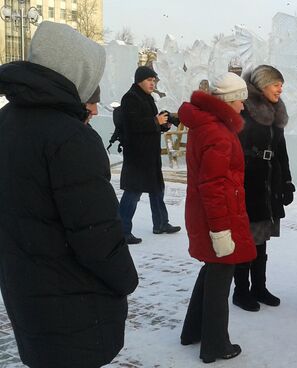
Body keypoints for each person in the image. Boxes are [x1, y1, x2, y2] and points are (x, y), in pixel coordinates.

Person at [0, 21, 139, 368]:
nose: (93, 101)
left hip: (26, 290)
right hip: (73, 303)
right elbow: (96, 234)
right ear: (76, 74)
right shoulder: (69, 137)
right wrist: (125, 279)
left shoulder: (7, 120)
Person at [178, 72, 256, 362]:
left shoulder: (207, 125)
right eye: (239, 101)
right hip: (218, 217)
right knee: (221, 275)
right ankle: (215, 345)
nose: (242, 108)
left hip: (209, 213)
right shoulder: (219, 134)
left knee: (212, 269)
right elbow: (213, 187)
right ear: (228, 101)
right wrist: (221, 231)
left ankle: (193, 331)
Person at [234, 64, 295, 312]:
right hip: (250, 185)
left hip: (269, 184)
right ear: (261, 85)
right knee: (247, 240)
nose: (280, 89)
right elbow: (234, 152)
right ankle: (241, 291)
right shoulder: (245, 111)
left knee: (261, 240)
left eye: (281, 84)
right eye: (275, 83)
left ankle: (259, 287)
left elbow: (281, 151)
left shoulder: (275, 111)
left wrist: (287, 182)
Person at [118, 66, 181, 244]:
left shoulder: (146, 98)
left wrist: (163, 125)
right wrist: (155, 121)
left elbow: (148, 126)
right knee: (133, 192)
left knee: (157, 189)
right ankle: (121, 230)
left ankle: (161, 223)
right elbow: (132, 126)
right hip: (137, 155)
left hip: (149, 154)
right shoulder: (130, 98)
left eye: (154, 81)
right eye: (149, 80)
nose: (152, 83)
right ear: (139, 80)